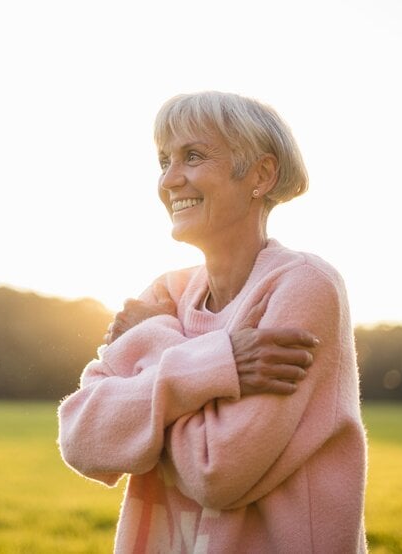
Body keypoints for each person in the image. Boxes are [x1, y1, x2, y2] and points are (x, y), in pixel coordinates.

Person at [58, 91, 367, 553]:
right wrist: (218, 364)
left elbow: (217, 471)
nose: (169, 179)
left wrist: (147, 399)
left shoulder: (305, 285)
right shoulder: (166, 295)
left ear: (260, 175)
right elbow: (81, 434)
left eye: (193, 156)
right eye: (164, 160)